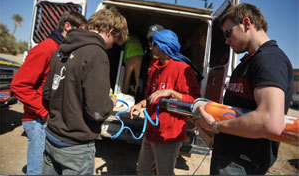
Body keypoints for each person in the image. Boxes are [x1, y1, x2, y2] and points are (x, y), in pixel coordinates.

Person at [192, 3, 294, 175]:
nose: (226, 40)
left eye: (227, 33)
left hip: (242, 164)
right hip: (230, 157)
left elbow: (270, 121)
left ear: (247, 23)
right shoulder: (248, 62)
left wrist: (215, 126)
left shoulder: (270, 60)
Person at [41, 9, 128, 175]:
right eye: (114, 41)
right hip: (76, 147)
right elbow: (97, 111)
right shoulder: (97, 54)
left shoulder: (60, 50)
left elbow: (47, 94)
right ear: (111, 31)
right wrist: (111, 103)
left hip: (51, 138)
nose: (111, 46)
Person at [11, 11, 87, 175]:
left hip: (45, 120)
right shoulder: (46, 48)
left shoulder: (60, 49)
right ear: (67, 26)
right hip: (37, 120)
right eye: (80, 30)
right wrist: (43, 112)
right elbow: (19, 85)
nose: (82, 36)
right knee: (37, 172)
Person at [129, 29, 201, 175]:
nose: (151, 47)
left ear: (164, 46)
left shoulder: (182, 69)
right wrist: (140, 105)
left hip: (169, 136)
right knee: (143, 170)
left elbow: (195, 101)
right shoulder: (155, 68)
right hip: (151, 132)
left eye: (154, 44)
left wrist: (171, 93)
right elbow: (151, 97)